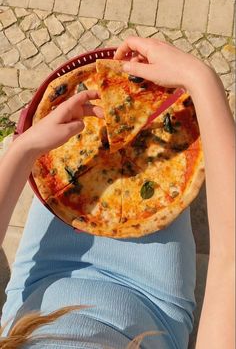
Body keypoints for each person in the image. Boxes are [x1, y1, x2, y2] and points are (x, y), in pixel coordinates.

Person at [0, 37, 234, 349]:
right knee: (173, 150)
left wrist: (24, 149)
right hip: (154, 295)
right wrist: (198, 79)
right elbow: (231, 259)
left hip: (46, 271)